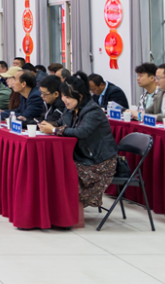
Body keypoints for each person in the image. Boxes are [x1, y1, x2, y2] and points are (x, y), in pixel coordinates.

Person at [39, 75, 119, 216]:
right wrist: (48, 125)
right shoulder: (71, 109)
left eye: (67, 97)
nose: (64, 100)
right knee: (52, 166)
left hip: (99, 161)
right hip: (82, 156)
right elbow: (61, 122)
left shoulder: (93, 111)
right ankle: (53, 211)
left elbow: (82, 132)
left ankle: (67, 214)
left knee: (63, 170)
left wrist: (54, 130)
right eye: (63, 96)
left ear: (80, 96)